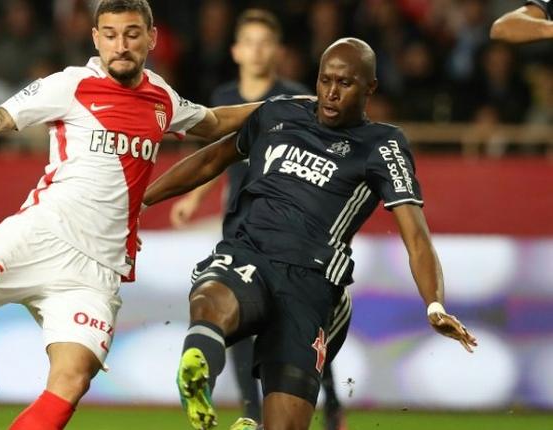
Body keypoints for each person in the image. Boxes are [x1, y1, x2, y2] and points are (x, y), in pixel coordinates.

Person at [0, 1, 259, 429]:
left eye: (132, 34)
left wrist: (281, 107)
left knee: (71, 381)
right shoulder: (70, 85)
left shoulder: (161, 97)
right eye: (110, 34)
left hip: (96, 271)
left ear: (152, 38)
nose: (120, 45)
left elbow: (213, 122)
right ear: (95, 38)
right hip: (35, 239)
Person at [143, 37, 478, 430]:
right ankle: (197, 369)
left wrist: (434, 304)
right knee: (210, 301)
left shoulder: (382, 145)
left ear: (370, 87)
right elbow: (213, 158)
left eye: (345, 84)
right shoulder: (279, 114)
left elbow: (416, 235)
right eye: (324, 81)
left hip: (310, 282)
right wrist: (141, 201)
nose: (331, 93)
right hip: (250, 250)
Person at [169, 9, 349, 430]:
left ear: (277, 51)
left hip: (295, 239)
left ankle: (333, 405)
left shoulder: (297, 98)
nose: (256, 50)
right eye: (248, 42)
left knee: (305, 327)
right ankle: (252, 413)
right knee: (234, 324)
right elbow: (214, 154)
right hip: (243, 230)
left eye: (264, 42)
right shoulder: (226, 96)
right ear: (235, 50)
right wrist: (193, 200)